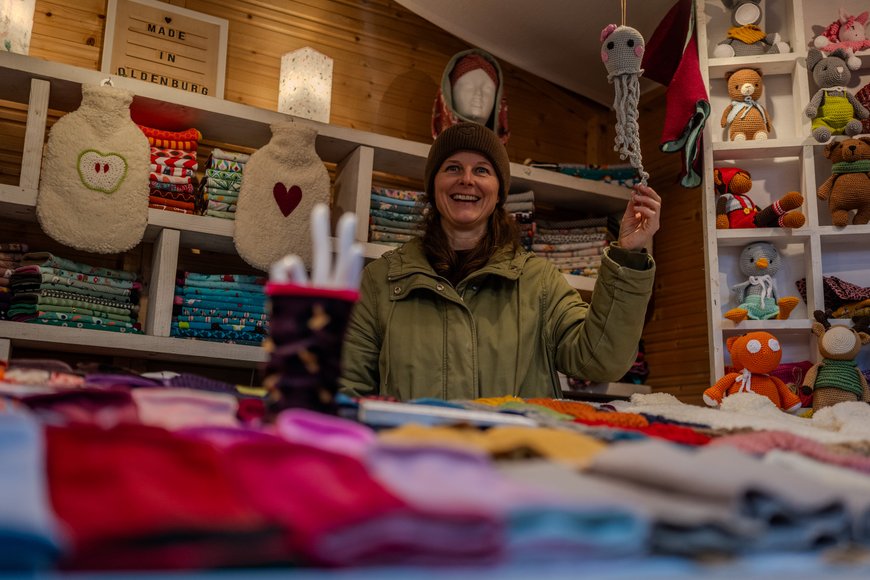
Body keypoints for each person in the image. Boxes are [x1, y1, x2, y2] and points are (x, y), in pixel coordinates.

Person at [339, 122, 660, 400]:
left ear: (498, 191)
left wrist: (627, 254)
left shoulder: (539, 281)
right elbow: (349, 387)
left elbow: (601, 361)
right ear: (433, 185)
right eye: (452, 167)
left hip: (514, 467)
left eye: (482, 170)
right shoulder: (381, 280)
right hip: (413, 467)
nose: (467, 179)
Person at [432, 49, 510, 144]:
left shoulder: (499, 155)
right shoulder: (439, 152)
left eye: (487, 89)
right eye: (468, 86)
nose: (478, 94)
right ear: (449, 93)